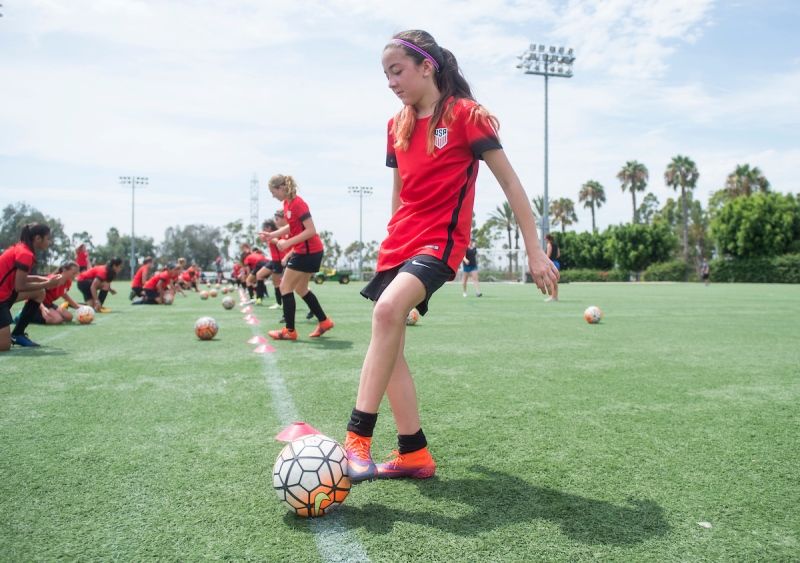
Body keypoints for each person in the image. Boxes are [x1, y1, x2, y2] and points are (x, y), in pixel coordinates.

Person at [342, 30, 559, 482]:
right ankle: (414, 454)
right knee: (391, 342)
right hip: (399, 241)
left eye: (397, 70)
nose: (390, 82)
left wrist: (535, 251)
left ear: (427, 67)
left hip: (440, 242)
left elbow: (512, 184)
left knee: (385, 314)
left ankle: (355, 443)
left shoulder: (466, 116)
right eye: (385, 74)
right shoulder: (395, 124)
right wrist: (389, 242)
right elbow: (399, 193)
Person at [262, 174, 334, 340]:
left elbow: (311, 230)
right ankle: (324, 322)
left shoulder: (298, 204)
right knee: (300, 289)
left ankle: (289, 331)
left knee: (284, 287)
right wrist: (272, 234)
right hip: (309, 252)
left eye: (273, 192)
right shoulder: (287, 204)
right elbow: (292, 227)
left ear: (281, 188)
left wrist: (287, 244)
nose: (273, 195)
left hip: (308, 253)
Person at [0, 223, 64, 349]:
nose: (49, 242)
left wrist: (45, 279)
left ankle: (18, 334)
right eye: (48, 238)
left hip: (5, 294)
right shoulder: (25, 254)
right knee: (4, 346)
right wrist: (48, 283)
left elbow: (19, 279)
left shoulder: (23, 249)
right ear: (38, 238)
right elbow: (20, 286)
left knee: (39, 292)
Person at [544, 234, 560, 302]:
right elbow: (558, 255)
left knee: (551, 281)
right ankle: (555, 296)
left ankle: (552, 297)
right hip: (556, 263)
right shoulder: (556, 245)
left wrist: (545, 262)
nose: (545, 240)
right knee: (555, 281)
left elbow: (548, 255)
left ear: (548, 239)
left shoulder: (549, 245)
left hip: (551, 263)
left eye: (545, 239)